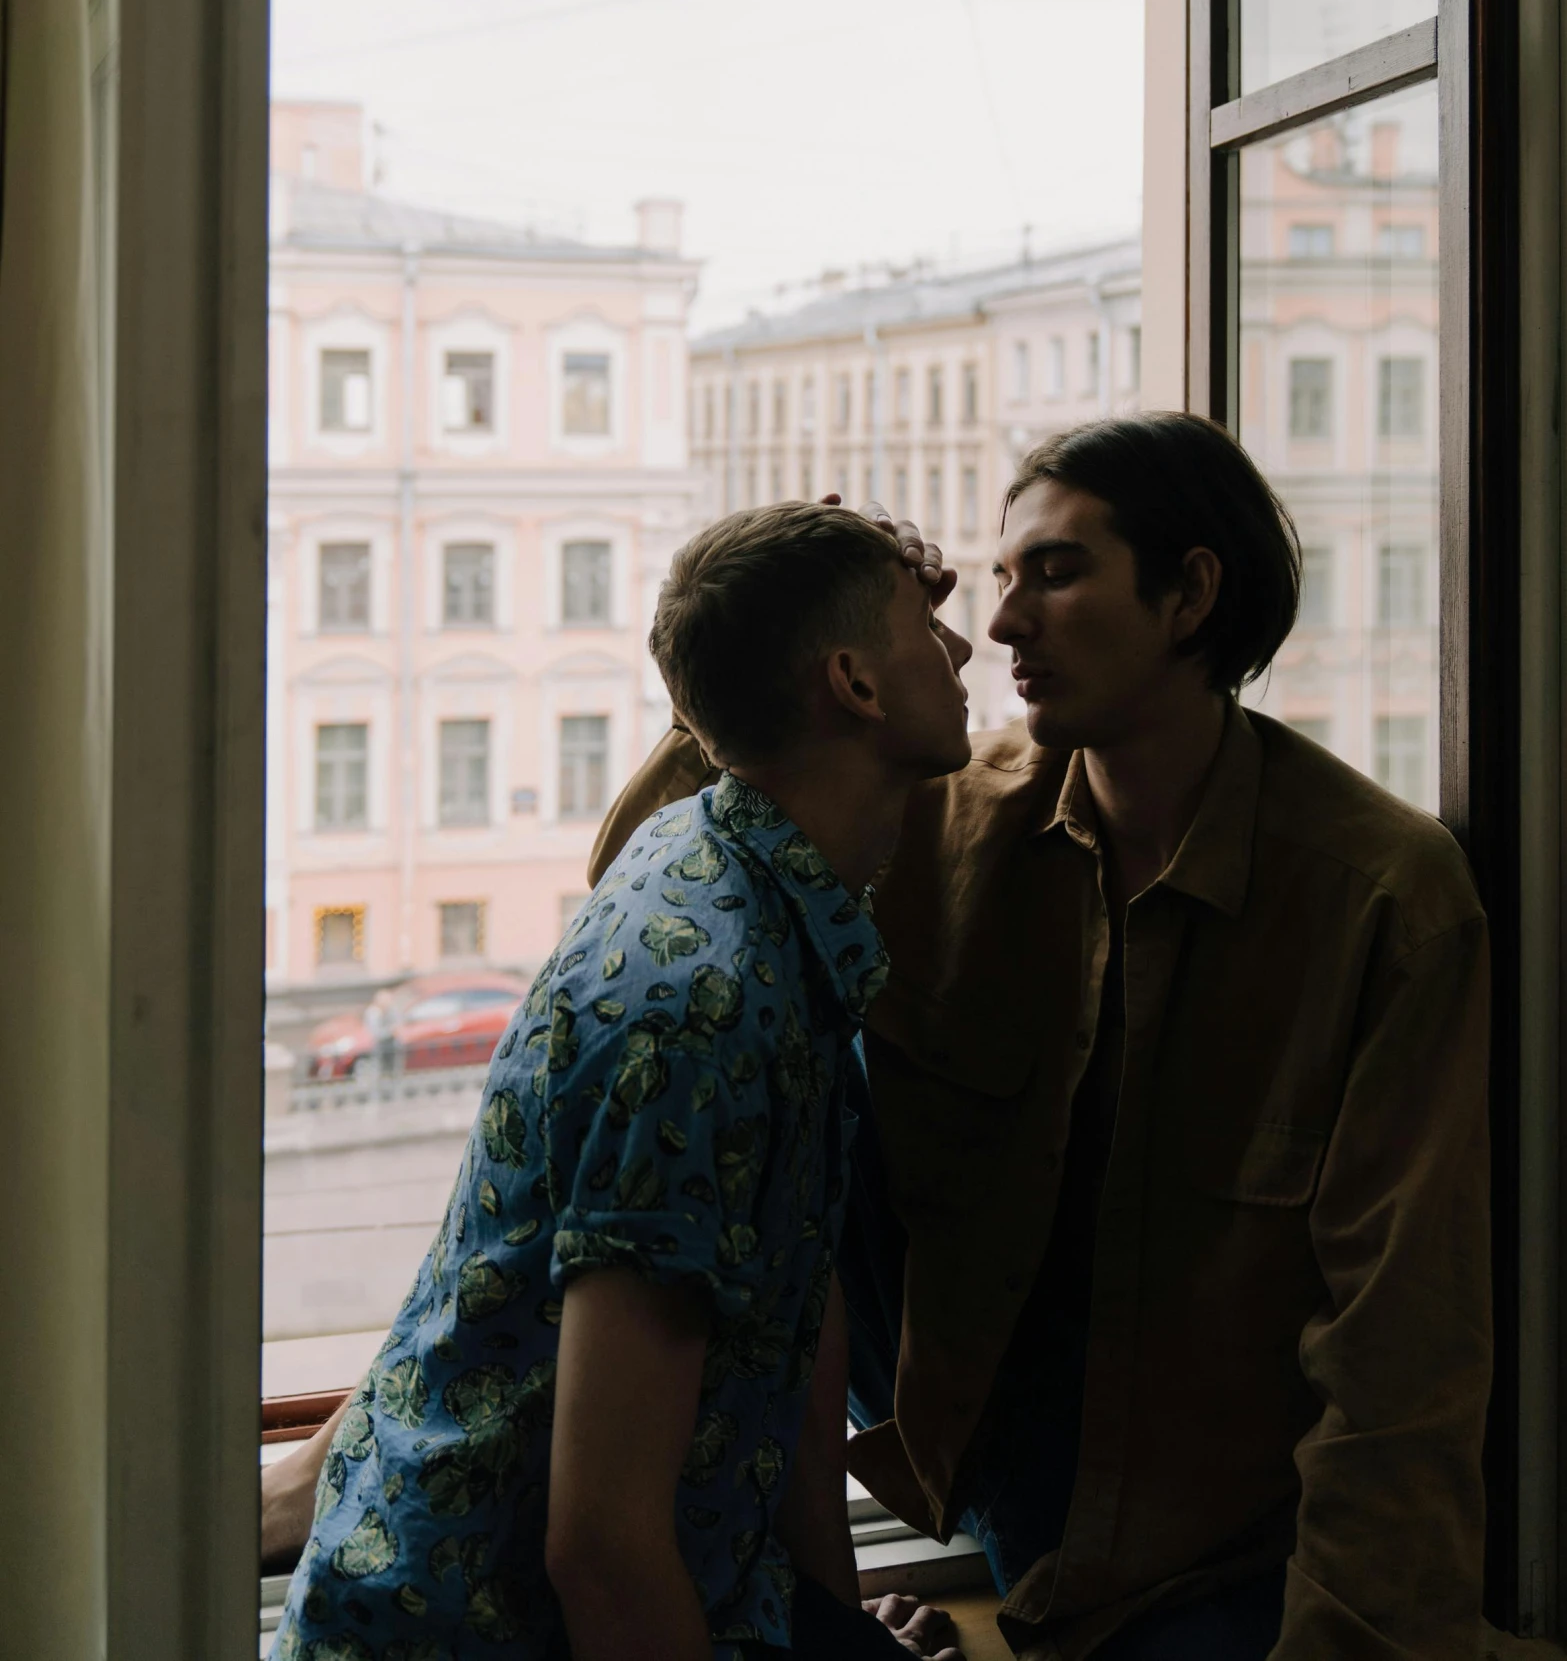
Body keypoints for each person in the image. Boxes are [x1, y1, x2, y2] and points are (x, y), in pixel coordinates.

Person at [591, 414, 1491, 1661]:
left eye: (1054, 573)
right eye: (997, 578)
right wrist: (803, 616)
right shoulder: (938, 805)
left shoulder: (1382, 900)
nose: (1003, 622)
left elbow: (1402, 1362)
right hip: (968, 1464)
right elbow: (650, 896)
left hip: (1205, 1555)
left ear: (1190, 594)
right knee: (723, 1068)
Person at [267, 500, 974, 1661]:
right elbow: (600, 1548)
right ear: (851, 683)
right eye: (923, 625)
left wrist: (832, 1633)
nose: (961, 648)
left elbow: (796, 1327)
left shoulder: (730, 861)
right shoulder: (702, 1001)